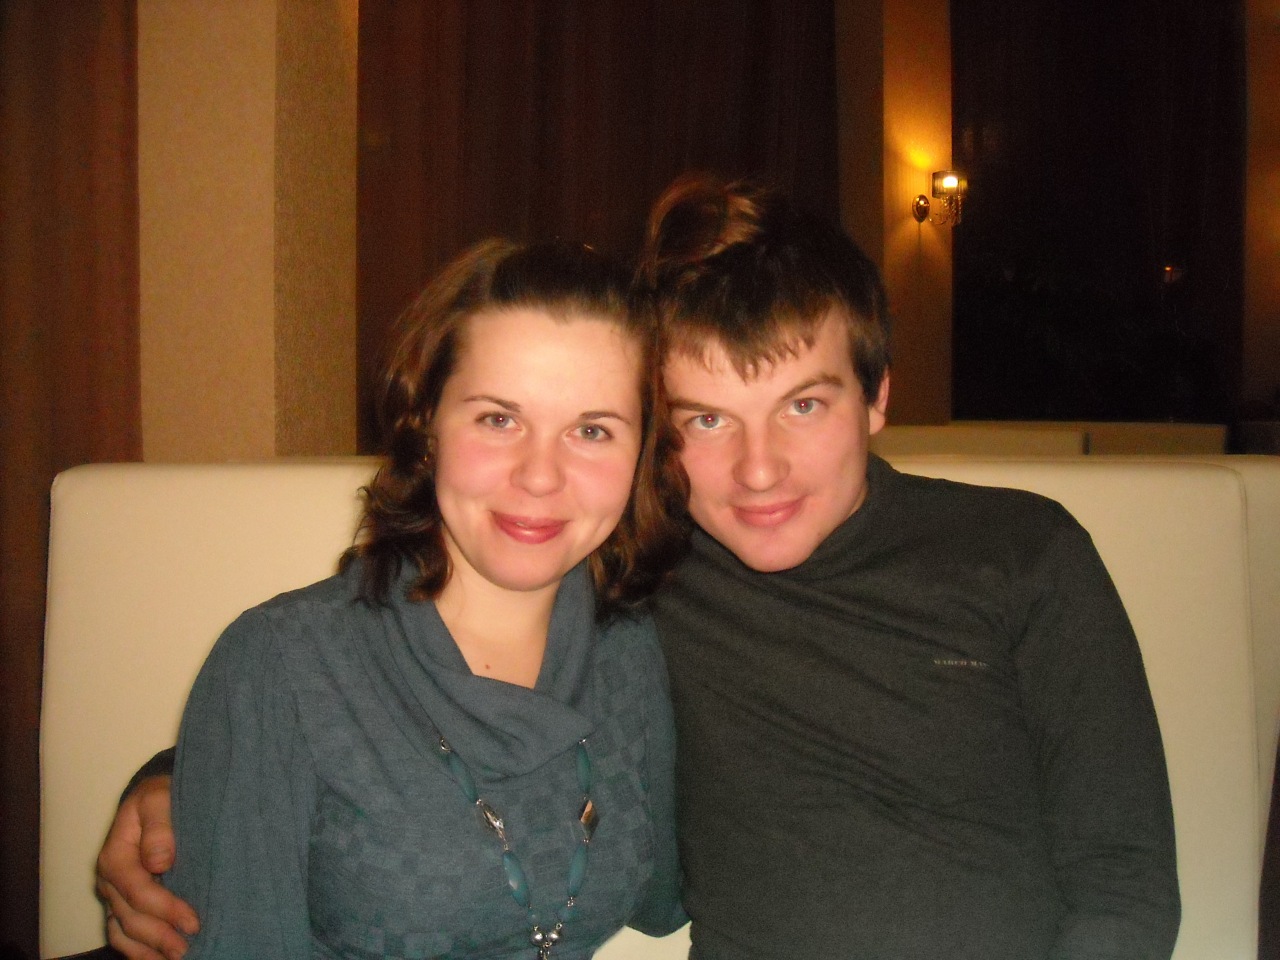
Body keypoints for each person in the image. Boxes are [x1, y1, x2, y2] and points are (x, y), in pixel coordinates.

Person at [98, 175, 1180, 960]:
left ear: (878, 395)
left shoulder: (1021, 556)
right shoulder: (652, 577)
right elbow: (376, 677)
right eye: (707, 418)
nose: (758, 470)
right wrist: (185, 778)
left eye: (804, 405)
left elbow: (1126, 885)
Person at [105, 238, 688, 959]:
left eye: (592, 430)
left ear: (641, 455)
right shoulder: (282, 663)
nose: (541, 475)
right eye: (498, 419)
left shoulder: (631, 645)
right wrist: (193, 773)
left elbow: (670, 892)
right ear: (427, 424)